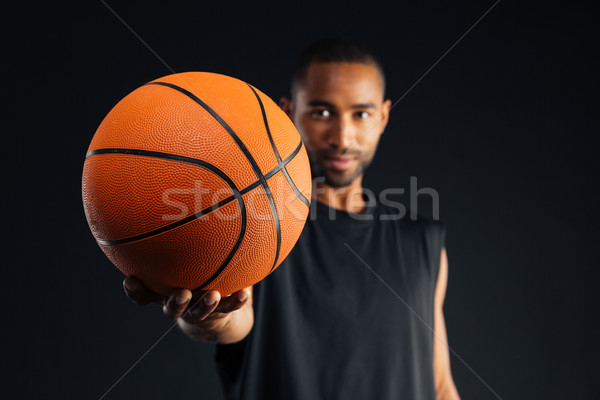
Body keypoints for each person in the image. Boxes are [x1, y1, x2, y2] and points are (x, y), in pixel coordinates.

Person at [123, 38, 460, 399]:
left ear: (383, 116)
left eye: (360, 114)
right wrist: (210, 316)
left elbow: (439, 382)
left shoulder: (422, 240)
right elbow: (235, 320)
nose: (342, 137)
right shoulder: (255, 227)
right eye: (322, 112)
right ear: (287, 112)